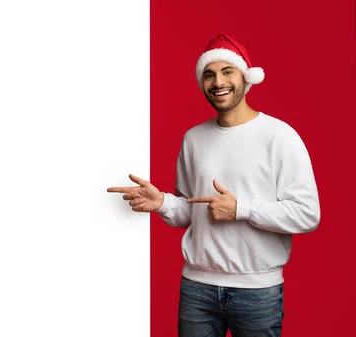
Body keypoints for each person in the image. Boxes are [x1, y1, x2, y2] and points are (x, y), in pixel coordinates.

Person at [107, 32, 320, 337]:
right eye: (209, 75)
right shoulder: (193, 138)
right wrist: (163, 203)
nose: (218, 81)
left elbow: (308, 214)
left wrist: (242, 209)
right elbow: (190, 211)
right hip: (197, 289)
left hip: (257, 292)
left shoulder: (279, 137)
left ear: (245, 78)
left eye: (227, 71)